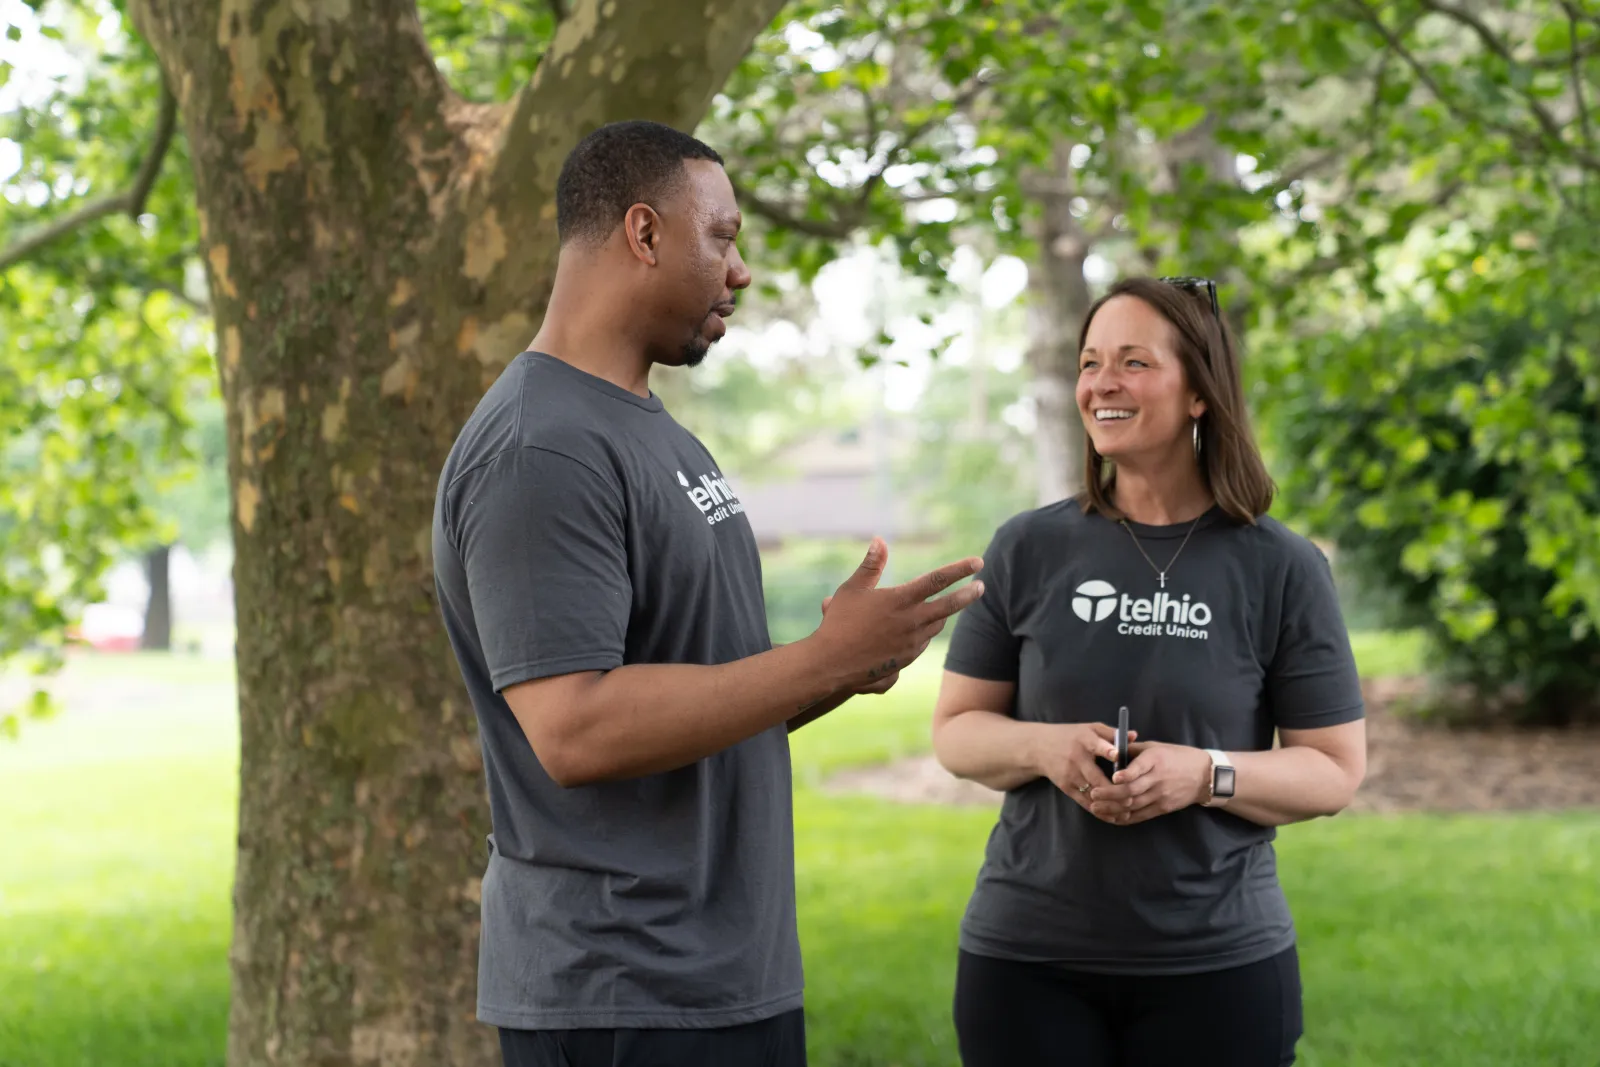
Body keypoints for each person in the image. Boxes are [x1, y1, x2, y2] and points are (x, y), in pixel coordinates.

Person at [430, 119, 984, 1067]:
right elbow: (575, 727)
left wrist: (836, 672)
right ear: (644, 234)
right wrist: (818, 657)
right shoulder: (542, 448)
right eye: (722, 236)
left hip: (720, 977)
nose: (742, 271)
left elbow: (702, 695)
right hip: (621, 990)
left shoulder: (651, 431)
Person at [931, 276, 1367, 1067]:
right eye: (1091, 362)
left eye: (1133, 362)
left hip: (1220, 965)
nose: (1102, 383)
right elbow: (957, 733)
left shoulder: (1282, 566)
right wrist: (1043, 748)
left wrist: (1206, 774)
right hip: (1026, 962)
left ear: (1199, 391)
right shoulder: (1028, 547)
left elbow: (1334, 770)